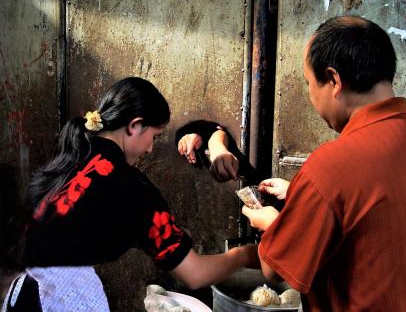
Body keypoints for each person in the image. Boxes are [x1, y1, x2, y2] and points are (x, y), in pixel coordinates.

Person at [1, 77, 258, 311]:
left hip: (21, 296)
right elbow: (195, 274)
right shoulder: (131, 187)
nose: (149, 150)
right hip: (62, 302)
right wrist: (246, 254)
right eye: (155, 137)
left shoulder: (73, 154)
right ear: (135, 126)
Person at [242, 15, 406, 311]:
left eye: (308, 83)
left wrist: (272, 223)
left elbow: (274, 269)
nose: (311, 95)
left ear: (333, 80)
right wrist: (302, 196)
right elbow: (381, 213)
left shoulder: (331, 166)